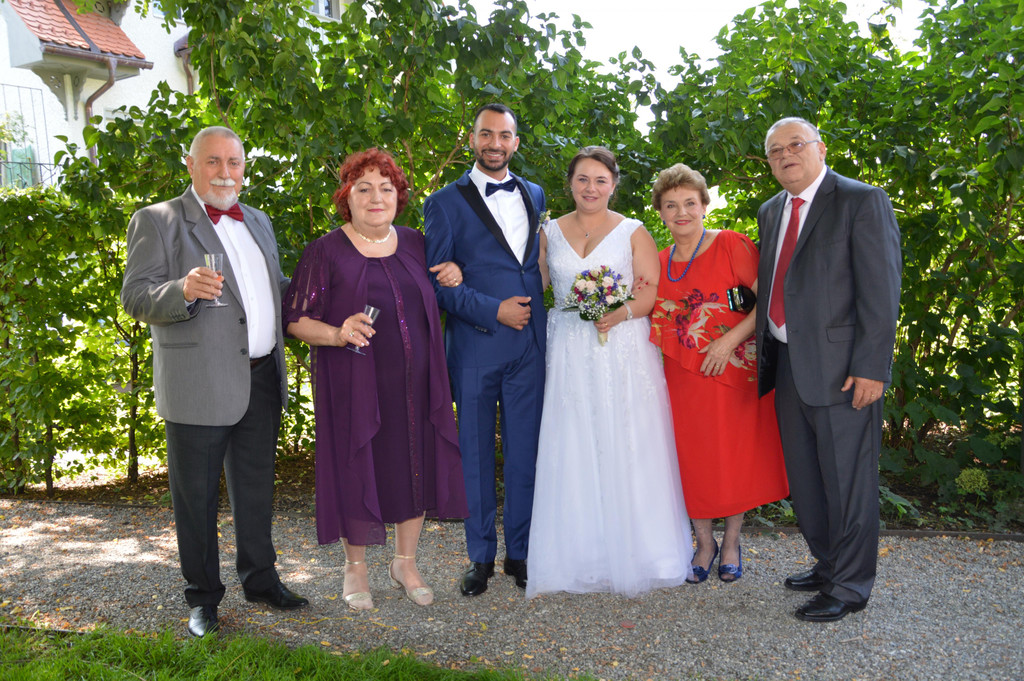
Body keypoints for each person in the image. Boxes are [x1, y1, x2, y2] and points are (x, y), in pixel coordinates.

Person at [121, 126, 308, 638]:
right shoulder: (158, 220)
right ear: (190, 164)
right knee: (196, 500)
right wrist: (181, 290)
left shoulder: (259, 220)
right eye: (213, 161)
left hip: (261, 378)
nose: (226, 172)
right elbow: (135, 296)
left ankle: (261, 580)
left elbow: (272, 290)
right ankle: (202, 599)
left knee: (256, 490)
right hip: (198, 384)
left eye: (234, 162)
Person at [283, 149, 468, 610]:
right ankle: (356, 568)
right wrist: (336, 332)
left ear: (398, 196)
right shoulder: (326, 251)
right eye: (363, 188)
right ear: (347, 196)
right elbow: (295, 319)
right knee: (356, 466)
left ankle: (405, 563)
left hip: (417, 385)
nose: (375, 197)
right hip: (354, 383)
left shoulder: (416, 243)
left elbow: (442, 287)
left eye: (386, 188)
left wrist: (454, 272)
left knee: (415, 464)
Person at [526, 146, 693, 598]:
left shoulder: (632, 231)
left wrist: (618, 313)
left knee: (628, 439)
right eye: (582, 179)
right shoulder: (548, 232)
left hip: (622, 345)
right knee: (573, 438)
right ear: (570, 183)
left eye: (600, 180)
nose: (591, 188)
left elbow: (650, 292)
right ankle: (579, 555)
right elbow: (536, 282)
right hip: (568, 346)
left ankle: (642, 552)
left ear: (613, 185)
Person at [755, 117, 901, 622]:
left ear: (820, 149)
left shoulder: (861, 200)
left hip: (844, 371)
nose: (786, 155)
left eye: (795, 144)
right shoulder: (771, 210)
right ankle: (828, 563)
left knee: (847, 482)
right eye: (776, 151)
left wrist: (872, 367)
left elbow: (881, 291)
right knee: (807, 479)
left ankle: (850, 586)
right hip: (788, 364)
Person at [424, 103, 547, 596]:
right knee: (474, 457)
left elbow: (533, 263)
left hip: (529, 347)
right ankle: (480, 559)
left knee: (524, 456)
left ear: (516, 141)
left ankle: (520, 553)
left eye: (504, 135)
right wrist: (494, 310)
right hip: (476, 344)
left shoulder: (534, 193)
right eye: (486, 134)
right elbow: (438, 285)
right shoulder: (443, 203)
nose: (495, 143)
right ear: (472, 138)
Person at [648, 163, 788, 585]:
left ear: (704, 205)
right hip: (682, 379)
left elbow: (768, 302)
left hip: (732, 373)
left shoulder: (731, 244)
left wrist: (728, 342)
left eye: (689, 203)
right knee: (691, 459)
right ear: (660, 212)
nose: (681, 212)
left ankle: (731, 542)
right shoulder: (657, 262)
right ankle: (704, 543)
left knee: (732, 457)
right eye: (671, 205)